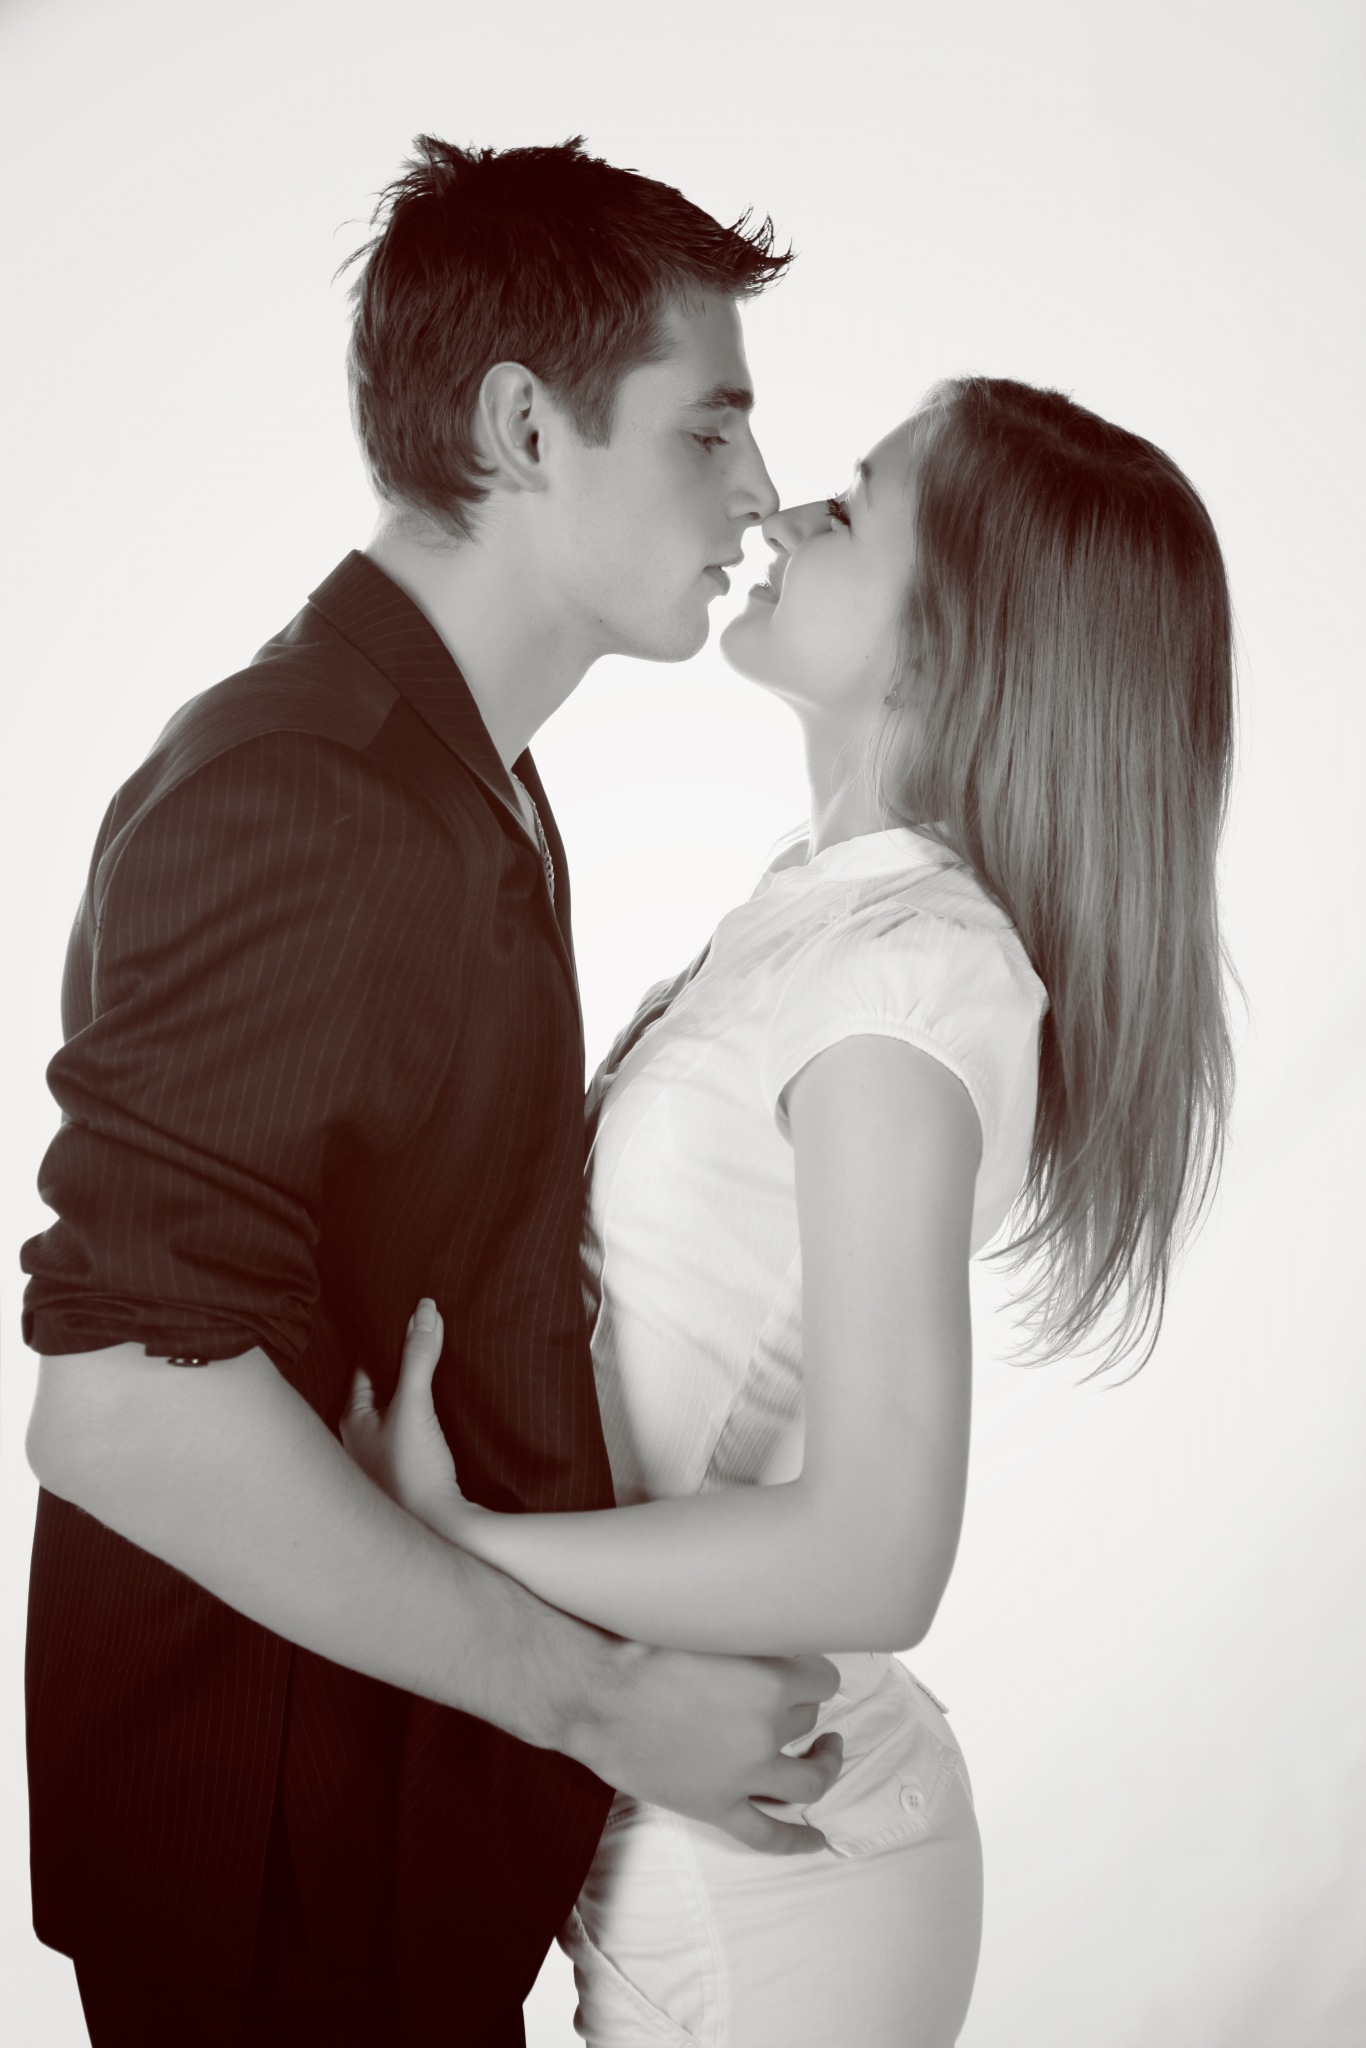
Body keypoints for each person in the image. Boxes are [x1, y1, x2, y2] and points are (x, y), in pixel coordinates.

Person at [19, 138, 847, 2048]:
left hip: (385, 1832)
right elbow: (120, 1398)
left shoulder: (453, 764)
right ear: (524, 428)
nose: (757, 489)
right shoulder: (307, 784)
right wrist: (601, 1700)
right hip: (277, 1877)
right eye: (708, 427)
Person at [347, 377, 1237, 2046]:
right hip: (706, 1839)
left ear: (956, 637)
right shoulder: (824, 916)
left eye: (853, 501)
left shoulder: (904, 984)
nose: (780, 510)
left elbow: (875, 1554)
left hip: (778, 1901)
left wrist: (451, 1551)